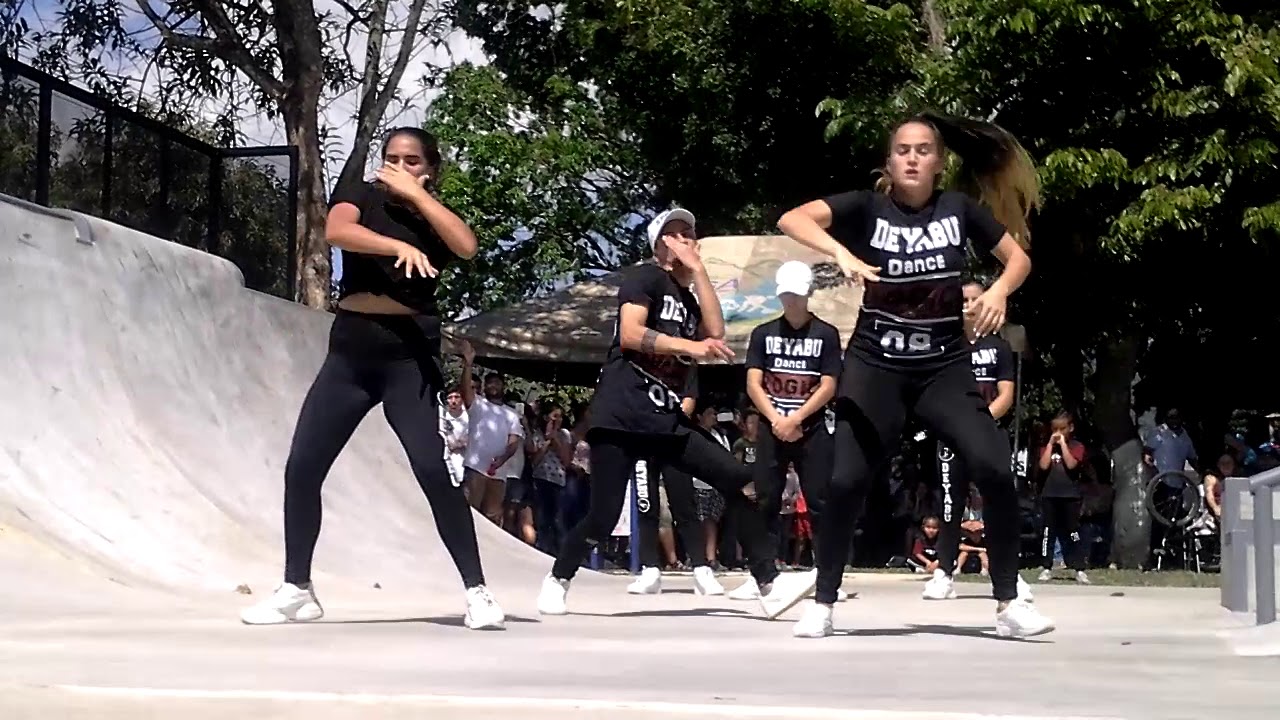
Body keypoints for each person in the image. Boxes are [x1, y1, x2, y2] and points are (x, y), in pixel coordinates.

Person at [776, 111, 1054, 639]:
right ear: (889, 161)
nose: (911, 157)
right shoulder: (866, 207)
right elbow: (792, 218)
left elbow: (1017, 260)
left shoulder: (959, 210)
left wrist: (996, 293)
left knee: (994, 468)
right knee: (847, 479)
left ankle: (1008, 602)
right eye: (902, 149)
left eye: (923, 150)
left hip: (942, 366)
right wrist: (842, 253)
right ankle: (824, 601)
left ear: (939, 163)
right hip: (875, 364)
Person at [240, 127, 505, 630]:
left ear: (429, 169)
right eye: (391, 159)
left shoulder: (432, 220)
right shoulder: (361, 194)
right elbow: (337, 231)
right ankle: (297, 587)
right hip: (351, 353)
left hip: (408, 357)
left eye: (410, 161)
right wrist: (389, 246)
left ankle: (477, 592)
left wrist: (415, 197)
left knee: (431, 469)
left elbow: (466, 246)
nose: (397, 167)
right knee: (302, 466)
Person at [536, 207, 818, 617]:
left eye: (691, 232)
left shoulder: (687, 298)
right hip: (621, 416)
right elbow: (631, 335)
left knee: (739, 480)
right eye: (678, 233)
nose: (688, 238)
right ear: (661, 244)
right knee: (603, 515)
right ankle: (558, 577)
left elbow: (716, 332)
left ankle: (767, 581)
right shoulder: (644, 278)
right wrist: (691, 348)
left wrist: (700, 271)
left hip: (666, 421)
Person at [727, 261, 842, 601]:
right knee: (764, 499)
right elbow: (753, 382)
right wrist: (776, 418)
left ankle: (826, 573)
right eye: (786, 294)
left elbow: (829, 384)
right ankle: (760, 573)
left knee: (819, 501)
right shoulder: (763, 333)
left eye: (796, 294)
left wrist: (797, 419)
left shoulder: (826, 334)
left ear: (807, 293)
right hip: (771, 425)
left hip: (812, 427)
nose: (790, 300)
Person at [922, 279, 1034, 601]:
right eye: (963, 300)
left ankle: (1009, 576)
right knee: (949, 505)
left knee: (998, 503)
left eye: (974, 299)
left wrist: (978, 426)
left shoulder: (997, 346)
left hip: (987, 434)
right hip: (951, 438)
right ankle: (944, 573)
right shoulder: (946, 346)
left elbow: (1006, 395)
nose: (968, 305)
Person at [1036, 411, 1091, 584]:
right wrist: (1052, 445)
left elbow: (1072, 464)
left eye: (1063, 428)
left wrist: (1064, 446)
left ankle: (1079, 568)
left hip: (1070, 496)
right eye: (1055, 429)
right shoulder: (1046, 447)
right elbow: (1043, 465)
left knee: (1073, 532)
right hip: (1050, 495)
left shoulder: (1077, 446)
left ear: (1070, 428)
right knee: (1048, 532)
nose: (1059, 432)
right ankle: (1046, 567)